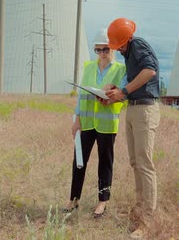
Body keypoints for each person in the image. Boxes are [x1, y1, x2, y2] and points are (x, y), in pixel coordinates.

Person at [105, 18, 160, 239]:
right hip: (134, 108)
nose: (114, 49)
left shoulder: (137, 45)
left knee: (144, 164)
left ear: (122, 41)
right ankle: (139, 213)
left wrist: (124, 92)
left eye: (115, 45)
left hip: (144, 110)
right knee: (136, 162)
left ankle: (147, 221)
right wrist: (115, 94)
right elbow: (136, 82)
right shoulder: (129, 54)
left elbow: (150, 71)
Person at [63, 28, 127, 218]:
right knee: (79, 161)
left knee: (105, 163)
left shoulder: (120, 69)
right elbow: (82, 95)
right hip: (87, 122)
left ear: (113, 49)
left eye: (105, 50)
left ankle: (102, 201)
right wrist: (76, 120)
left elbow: (124, 95)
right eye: (98, 50)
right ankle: (73, 199)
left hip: (106, 124)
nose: (101, 54)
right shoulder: (89, 67)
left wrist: (112, 93)